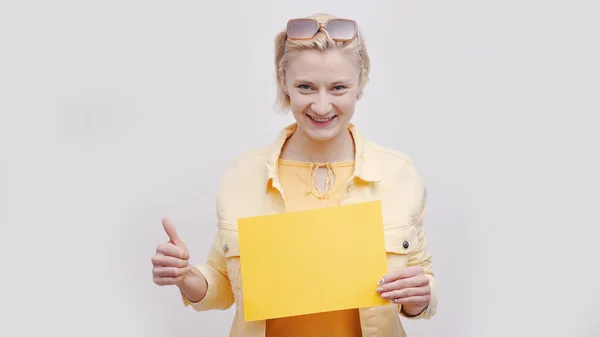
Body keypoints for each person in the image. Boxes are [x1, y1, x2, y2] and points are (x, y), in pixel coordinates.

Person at [151, 13, 438, 337]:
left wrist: (421, 296)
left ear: (362, 80)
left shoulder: (398, 174)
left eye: (338, 87)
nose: (321, 105)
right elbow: (222, 284)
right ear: (283, 80)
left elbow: (420, 285)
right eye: (306, 87)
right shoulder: (242, 175)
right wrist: (184, 275)